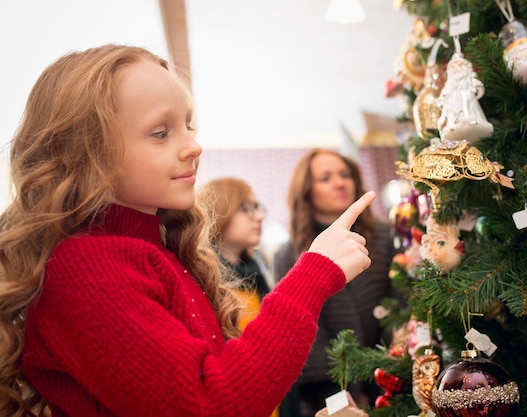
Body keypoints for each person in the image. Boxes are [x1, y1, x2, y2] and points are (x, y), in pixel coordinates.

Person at [0, 44, 376, 417]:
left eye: (188, 126)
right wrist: (313, 275)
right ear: (87, 151)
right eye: (161, 133)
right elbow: (210, 404)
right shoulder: (83, 267)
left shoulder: (151, 251)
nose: (194, 146)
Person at [274, 148, 400, 416]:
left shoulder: (382, 236)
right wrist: (338, 396)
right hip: (328, 393)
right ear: (307, 191)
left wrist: (388, 373)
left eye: (345, 175)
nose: (340, 183)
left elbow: (398, 303)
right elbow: (304, 329)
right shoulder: (290, 254)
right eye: (326, 178)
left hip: (392, 379)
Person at [196, 177, 272, 330]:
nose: (259, 217)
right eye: (246, 208)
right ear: (219, 212)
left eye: (257, 207)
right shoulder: (202, 278)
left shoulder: (255, 274)